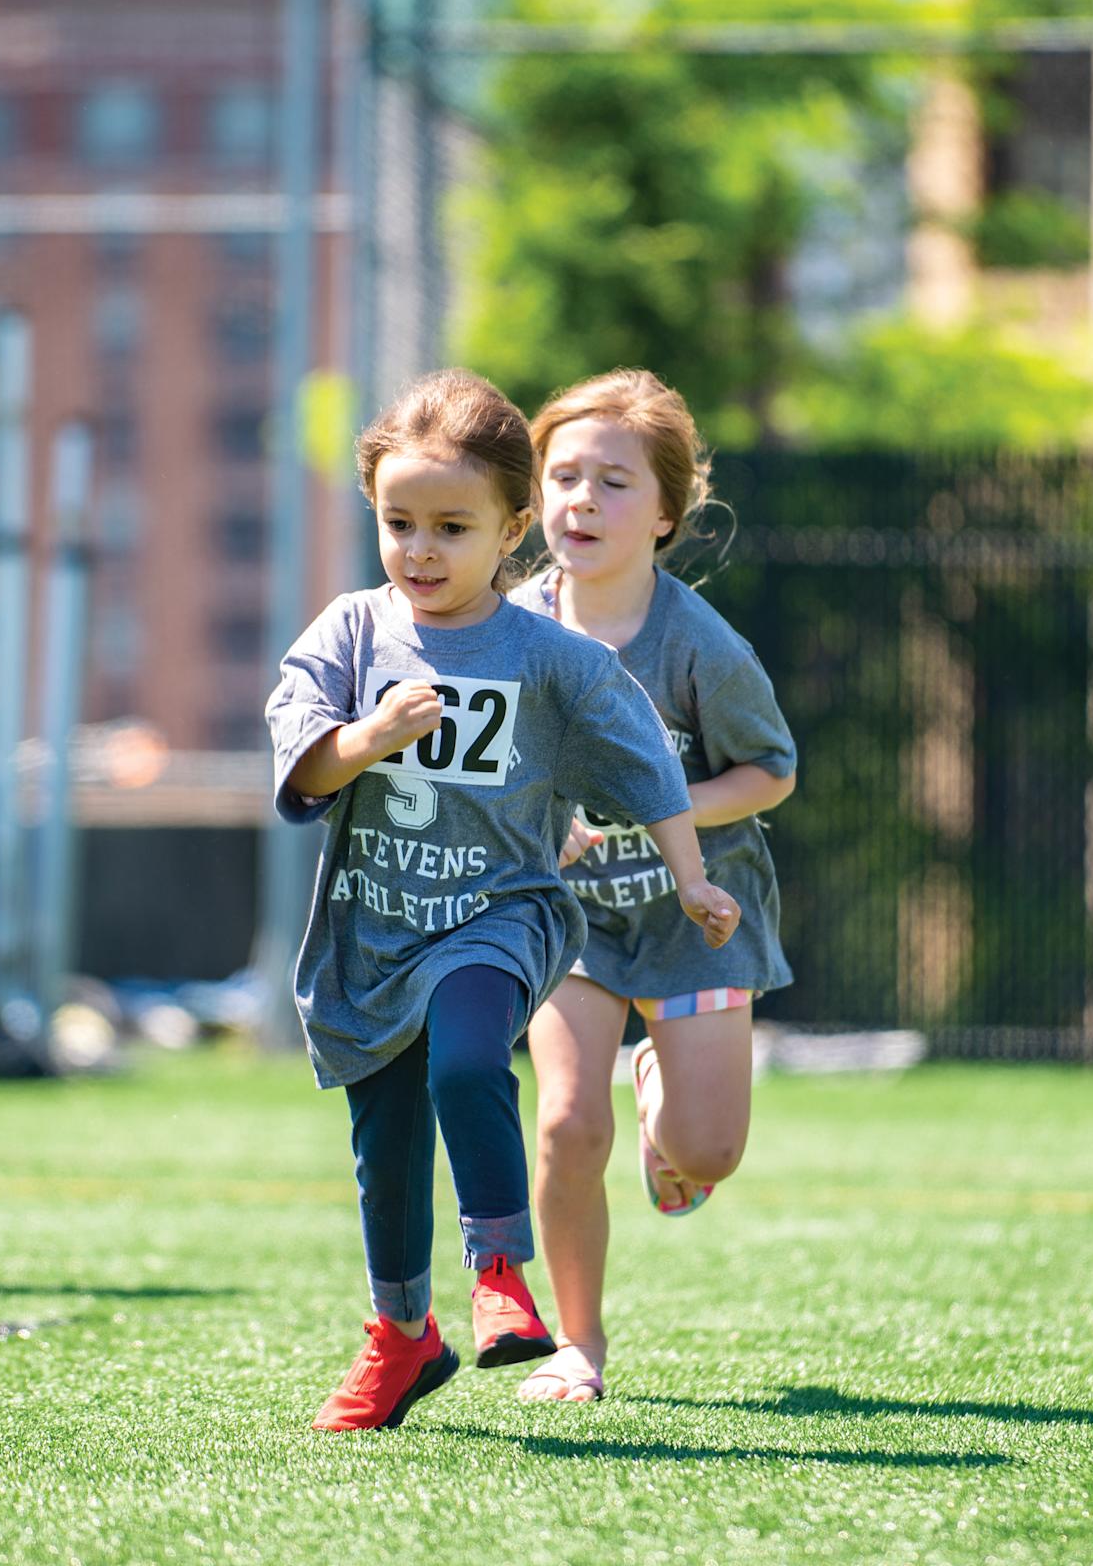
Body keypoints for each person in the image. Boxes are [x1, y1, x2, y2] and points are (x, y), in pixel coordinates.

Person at [266, 369, 740, 1433]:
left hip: (499, 915)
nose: (421, 551)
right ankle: (401, 1336)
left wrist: (690, 874)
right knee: (386, 1152)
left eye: (452, 527)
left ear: (511, 530)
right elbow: (303, 763)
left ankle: (499, 1272)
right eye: (399, 523)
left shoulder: (548, 655)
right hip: (373, 933)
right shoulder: (350, 632)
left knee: (469, 1058)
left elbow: (642, 759)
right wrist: (368, 737)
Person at [503, 370, 794, 1404]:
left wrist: (652, 810)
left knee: (706, 1153)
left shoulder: (703, 647)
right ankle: (578, 1345)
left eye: (614, 482)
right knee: (565, 1126)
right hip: (569, 920)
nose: (582, 500)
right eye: (563, 477)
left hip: (692, 914)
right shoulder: (506, 629)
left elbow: (771, 771)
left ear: (666, 513)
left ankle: (659, 1086)